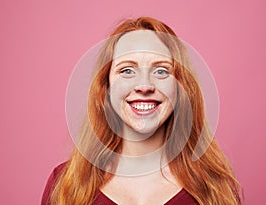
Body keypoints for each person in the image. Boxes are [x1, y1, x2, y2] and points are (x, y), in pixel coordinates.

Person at [42, 17, 242, 205]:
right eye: (127, 70)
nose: (144, 86)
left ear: (181, 88)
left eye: (161, 71)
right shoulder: (65, 184)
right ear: (106, 88)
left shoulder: (215, 187)